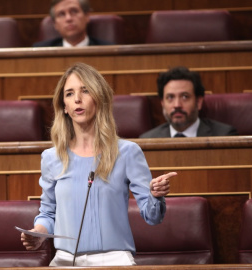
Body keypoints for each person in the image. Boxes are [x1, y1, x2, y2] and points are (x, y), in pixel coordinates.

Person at [20, 62, 177, 266]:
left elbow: (153, 217)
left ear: (99, 98)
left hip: (115, 260)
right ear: (64, 107)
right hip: (66, 260)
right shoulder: (52, 157)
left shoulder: (127, 152)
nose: (77, 99)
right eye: (69, 93)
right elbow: (48, 213)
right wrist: (38, 234)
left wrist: (155, 195)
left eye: (85, 91)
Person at [140, 66, 238, 138]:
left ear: (198, 102)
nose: (177, 105)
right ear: (162, 104)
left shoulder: (224, 136)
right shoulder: (147, 140)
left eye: (185, 97)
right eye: (170, 97)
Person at [33, 0, 112, 47]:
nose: (68, 18)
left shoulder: (110, 50)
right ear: (55, 24)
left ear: (87, 16)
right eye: (61, 14)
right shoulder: (39, 51)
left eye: (74, 11)